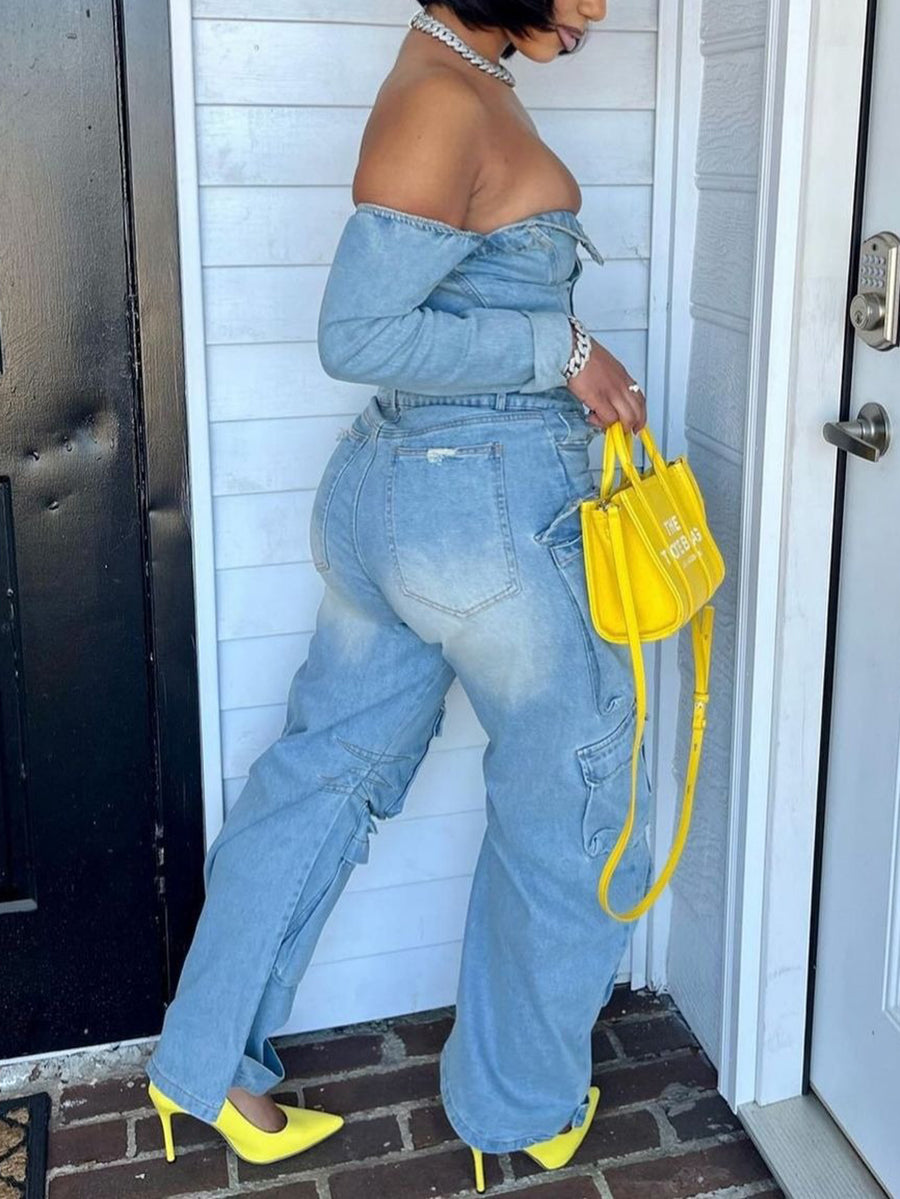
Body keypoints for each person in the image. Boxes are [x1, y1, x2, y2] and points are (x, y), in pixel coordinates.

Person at [145, 1, 652, 1192]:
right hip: (483, 514)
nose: (598, 9)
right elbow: (359, 332)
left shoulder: (454, 76)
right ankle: (520, 1104)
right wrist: (562, 350)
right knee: (572, 796)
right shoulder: (439, 99)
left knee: (323, 773)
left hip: (409, 499)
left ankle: (204, 1064)